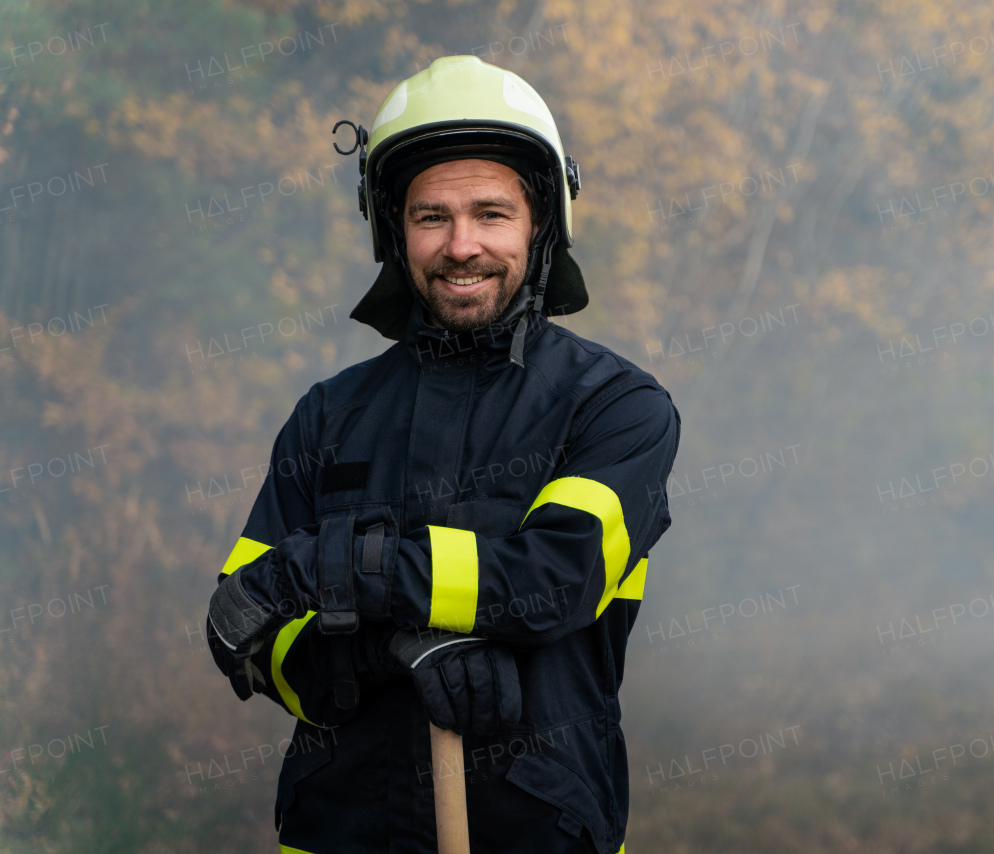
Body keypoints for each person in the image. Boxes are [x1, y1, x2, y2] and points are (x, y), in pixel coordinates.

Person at [205, 54, 680, 854]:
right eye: (432, 217)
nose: (462, 246)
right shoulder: (328, 415)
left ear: (543, 223)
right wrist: (377, 652)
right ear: (396, 232)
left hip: (542, 832)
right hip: (336, 834)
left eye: (492, 213)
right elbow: (245, 630)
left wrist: (342, 570)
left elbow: (549, 583)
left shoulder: (615, 407)